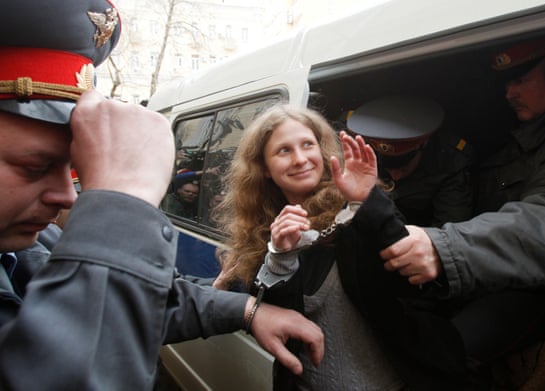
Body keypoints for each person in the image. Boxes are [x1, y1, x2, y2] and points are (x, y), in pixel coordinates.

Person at [0, 1, 324, 389]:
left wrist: (247, 310)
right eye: (34, 168)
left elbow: (143, 301)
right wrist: (122, 202)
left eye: (70, 171)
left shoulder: (30, 242)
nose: (66, 197)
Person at [357, 38, 545, 387]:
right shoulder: (528, 132)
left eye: (521, 79)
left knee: (445, 352)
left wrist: (444, 249)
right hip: (485, 271)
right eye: (506, 82)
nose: (509, 92)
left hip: (533, 288)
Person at [213, 105, 427, 390]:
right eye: (283, 151)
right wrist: (279, 256)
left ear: (322, 150)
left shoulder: (353, 211)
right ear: (264, 168)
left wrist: (368, 202)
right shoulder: (256, 235)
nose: (300, 159)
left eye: (307, 145)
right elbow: (276, 330)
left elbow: (412, 284)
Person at [347, 95, 474, 227]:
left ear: (422, 145)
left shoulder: (449, 162)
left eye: (403, 168)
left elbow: (450, 231)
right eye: (388, 168)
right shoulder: (355, 149)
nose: (395, 176)